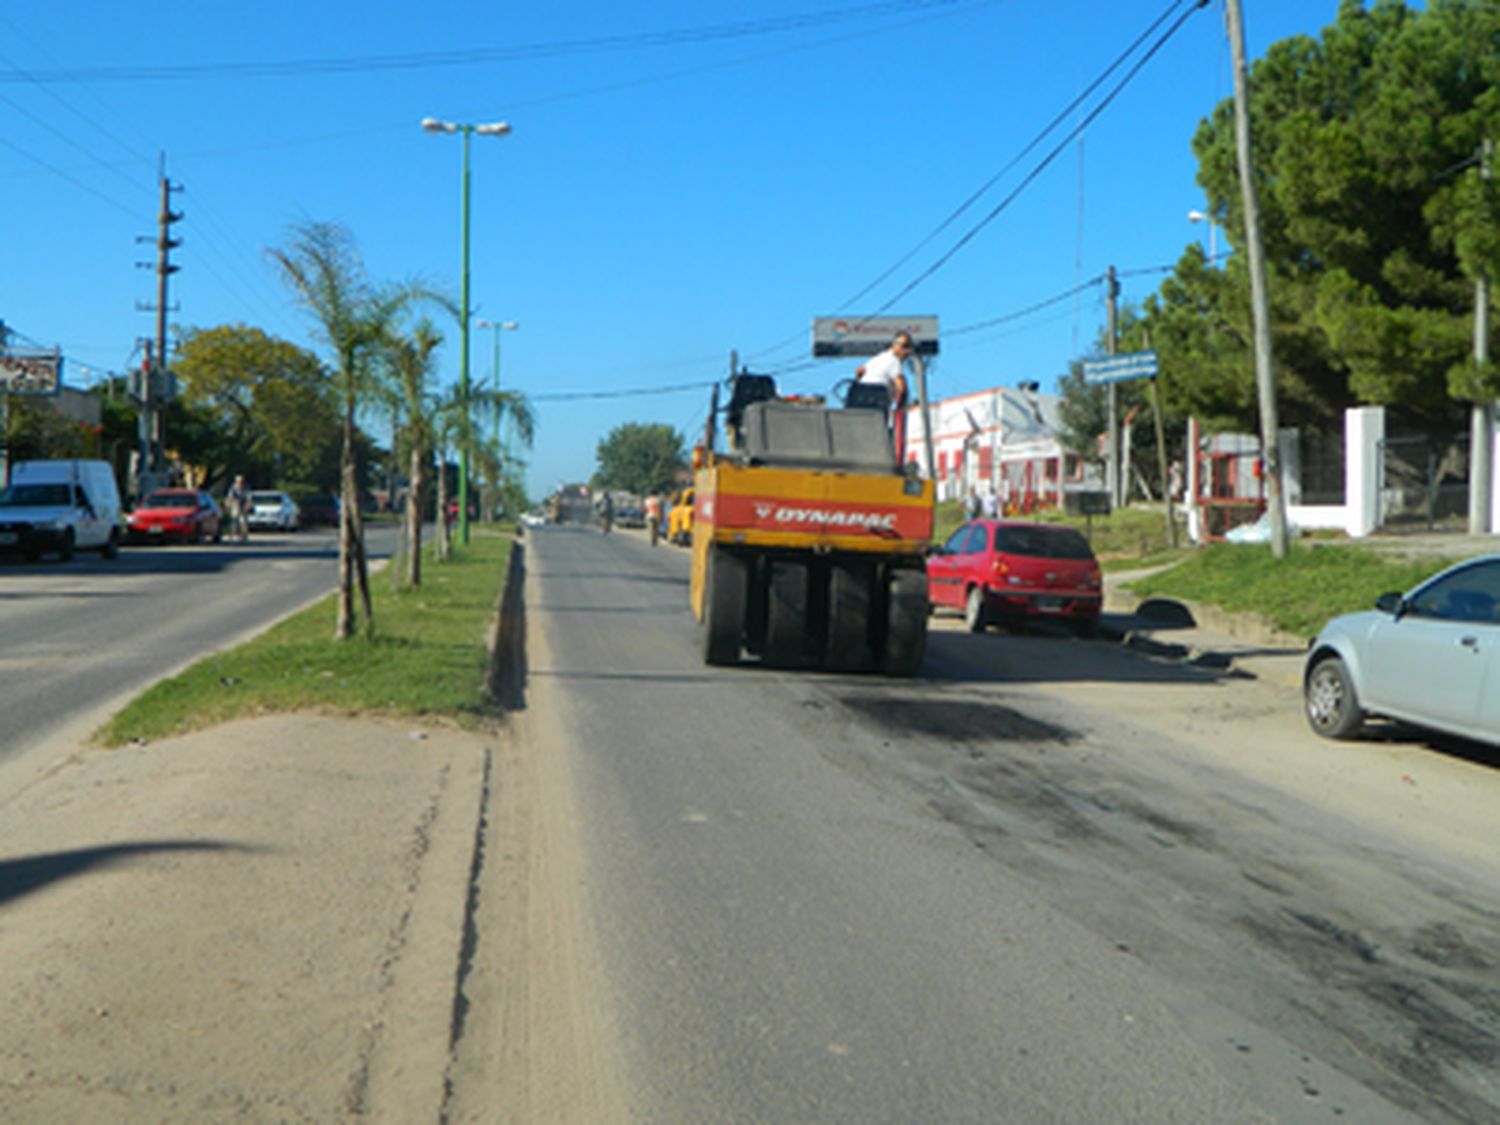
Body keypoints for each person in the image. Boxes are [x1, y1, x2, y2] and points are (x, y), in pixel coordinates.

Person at [854, 330, 914, 453]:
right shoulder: (894, 362)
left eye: (909, 347)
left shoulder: (878, 358)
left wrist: (863, 382)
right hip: (877, 402)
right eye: (904, 346)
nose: (907, 351)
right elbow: (902, 388)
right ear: (894, 345)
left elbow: (859, 370)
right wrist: (899, 407)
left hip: (859, 399)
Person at [226, 474, 250, 543]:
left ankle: (244, 536)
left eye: (241, 482)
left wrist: (247, 505)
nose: (240, 483)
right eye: (239, 482)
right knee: (234, 520)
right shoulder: (233, 488)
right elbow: (230, 497)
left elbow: (249, 498)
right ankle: (234, 534)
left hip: (243, 505)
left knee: (243, 521)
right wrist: (228, 505)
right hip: (235, 504)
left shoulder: (246, 488)